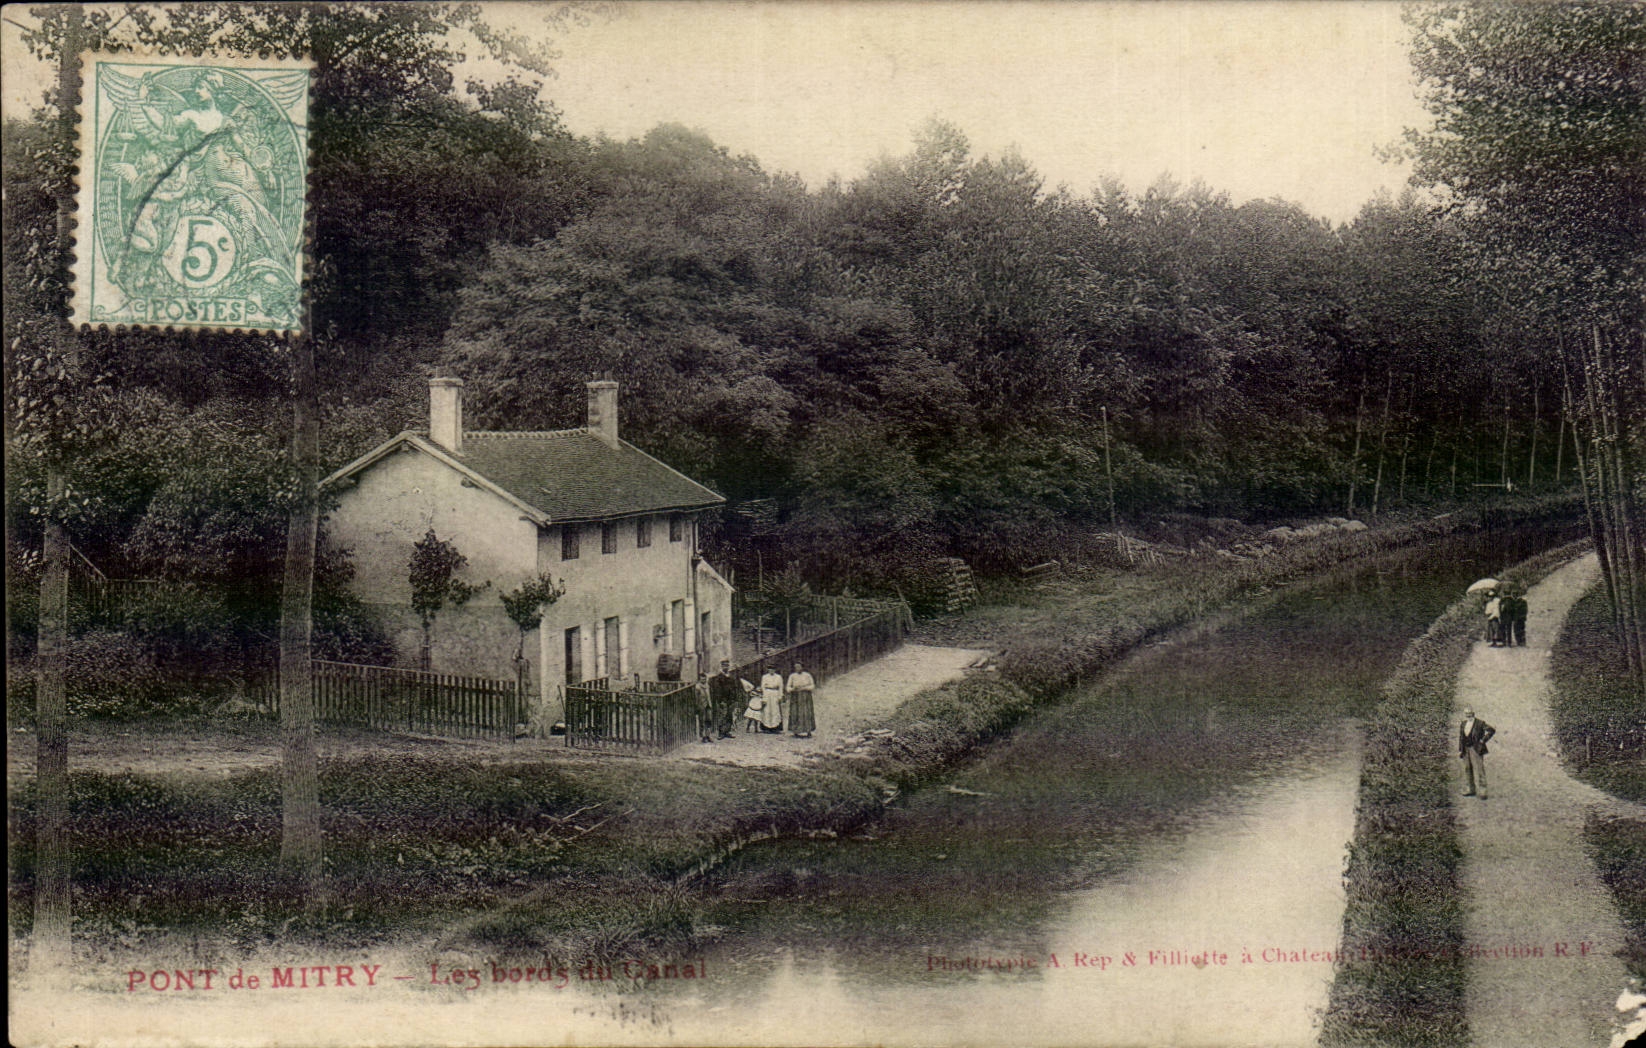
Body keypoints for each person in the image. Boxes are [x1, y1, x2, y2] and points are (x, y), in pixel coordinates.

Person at [1458, 706, 1496, 799]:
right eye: (1466, 713)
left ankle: (1483, 791)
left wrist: (1483, 740)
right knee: (1467, 768)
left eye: (1470, 713)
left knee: (1479, 769)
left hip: (1476, 749)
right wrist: (1461, 749)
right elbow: (1461, 737)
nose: (1468, 715)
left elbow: (1491, 730)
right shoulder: (1463, 723)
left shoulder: (1480, 723)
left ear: (1473, 713)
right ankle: (1470, 789)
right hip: (1465, 749)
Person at [708, 659, 744, 739]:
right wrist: (720, 700)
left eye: (727, 665)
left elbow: (735, 687)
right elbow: (717, 690)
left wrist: (735, 698)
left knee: (729, 715)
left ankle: (727, 731)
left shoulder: (731, 676)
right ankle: (721, 732)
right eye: (724, 665)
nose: (726, 667)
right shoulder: (719, 677)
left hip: (731, 699)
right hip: (723, 699)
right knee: (722, 716)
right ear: (722, 666)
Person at [786, 662, 816, 738]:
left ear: (802, 667)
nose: (797, 668)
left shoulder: (807, 675)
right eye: (796, 667)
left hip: (805, 696)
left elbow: (812, 686)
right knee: (795, 713)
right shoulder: (792, 676)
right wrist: (793, 689)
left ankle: (808, 731)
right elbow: (788, 687)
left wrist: (805, 688)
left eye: (799, 667)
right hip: (795, 696)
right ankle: (796, 731)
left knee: (806, 712)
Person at [758, 666, 786, 734]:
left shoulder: (778, 677)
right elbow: (763, 687)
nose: (771, 671)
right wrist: (764, 697)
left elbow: (781, 687)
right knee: (767, 710)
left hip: (775, 694)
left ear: (775, 670)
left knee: (775, 710)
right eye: (770, 669)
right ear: (768, 670)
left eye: (773, 669)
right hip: (767, 693)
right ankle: (766, 727)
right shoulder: (764, 677)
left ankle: (775, 728)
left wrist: (780, 696)